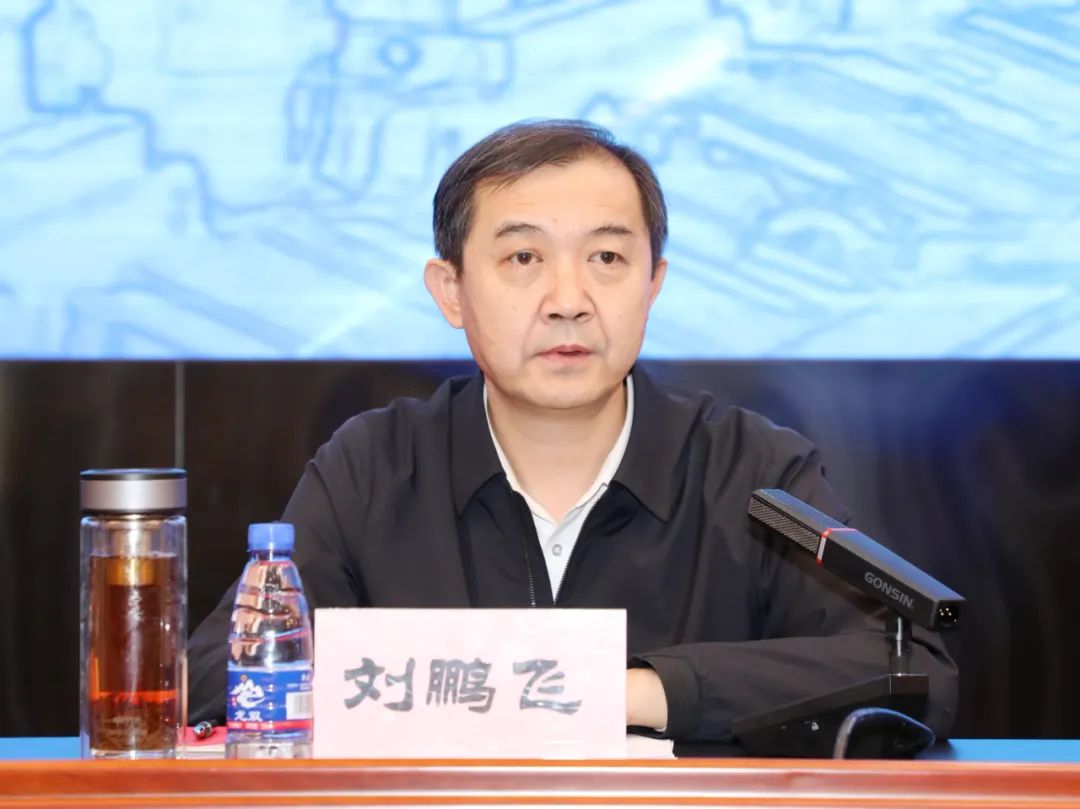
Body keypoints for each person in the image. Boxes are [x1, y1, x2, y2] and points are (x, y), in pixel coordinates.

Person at [188, 119, 957, 741]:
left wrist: (628, 692)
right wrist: (472, 688)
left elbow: (912, 674)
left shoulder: (748, 467)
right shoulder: (376, 465)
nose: (568, 299)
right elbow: (215, 675)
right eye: (524, 256)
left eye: (608, 257)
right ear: (451, 291)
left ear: (653, 283)